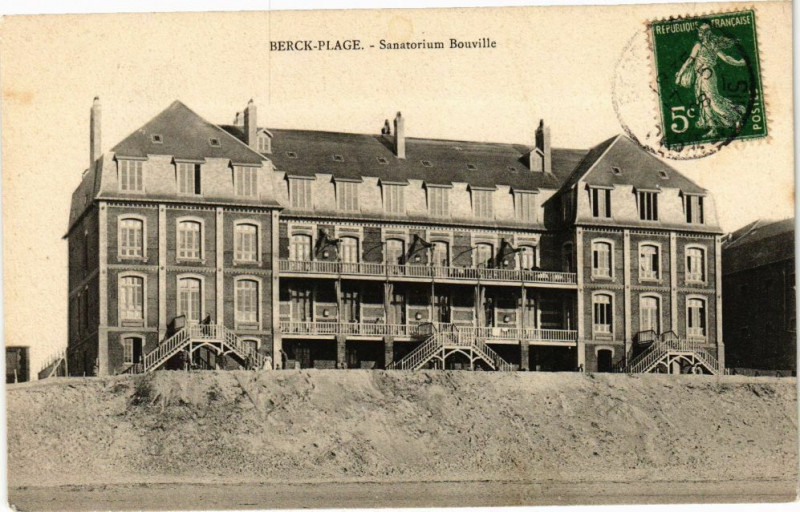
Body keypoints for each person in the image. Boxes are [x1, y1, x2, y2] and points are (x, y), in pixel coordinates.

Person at [674, 23, 746, 137]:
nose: (699, 34)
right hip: (701, 76)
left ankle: (736, 118)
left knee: (713, 101)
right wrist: (739, 62)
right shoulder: (708, 46)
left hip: (706, 75)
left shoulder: (704, 46)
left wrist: (679, 76)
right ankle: (713, 128)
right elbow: (726, 59)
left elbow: (689, 61)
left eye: (701, 32)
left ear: (705, 34)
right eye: (699, 32)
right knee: (705, 102)